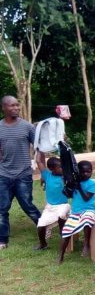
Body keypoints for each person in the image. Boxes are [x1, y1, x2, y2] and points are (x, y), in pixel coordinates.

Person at [0, 95, 41, 249]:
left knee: (27, 205)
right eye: (12, 105)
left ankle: (44, 227)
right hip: (3, 175)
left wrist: (42, 170)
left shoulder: (27, 127)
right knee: (1, 208)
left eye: (17, 105)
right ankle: (2, 240)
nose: (16, 108)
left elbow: (39, 147)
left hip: (23, 174)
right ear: (4, 108)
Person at [58, 161, 95, 263]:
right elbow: (69, 195)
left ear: (92, 171)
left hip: (89, 210)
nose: (86, 174)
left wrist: (79, 187)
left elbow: (86, 198)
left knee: (87, 220)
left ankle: (86, 244)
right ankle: (61, 255)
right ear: (78, 172)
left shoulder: (92, 184)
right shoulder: (75, 183)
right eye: (83, 172)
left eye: (88, 171)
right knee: (66, 231)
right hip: (75, 212)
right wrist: (67, 185)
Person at [34, 151, 70, 250]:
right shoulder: (47, 175)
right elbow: (38, 161)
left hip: (63, 205)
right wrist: (39, 149)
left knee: (61, 216)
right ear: (51, 169)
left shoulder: (65, 177)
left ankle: (64, 238)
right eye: (60, 167)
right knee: (40, 225)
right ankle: (43, 244)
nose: (62, 169)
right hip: (50, 207)